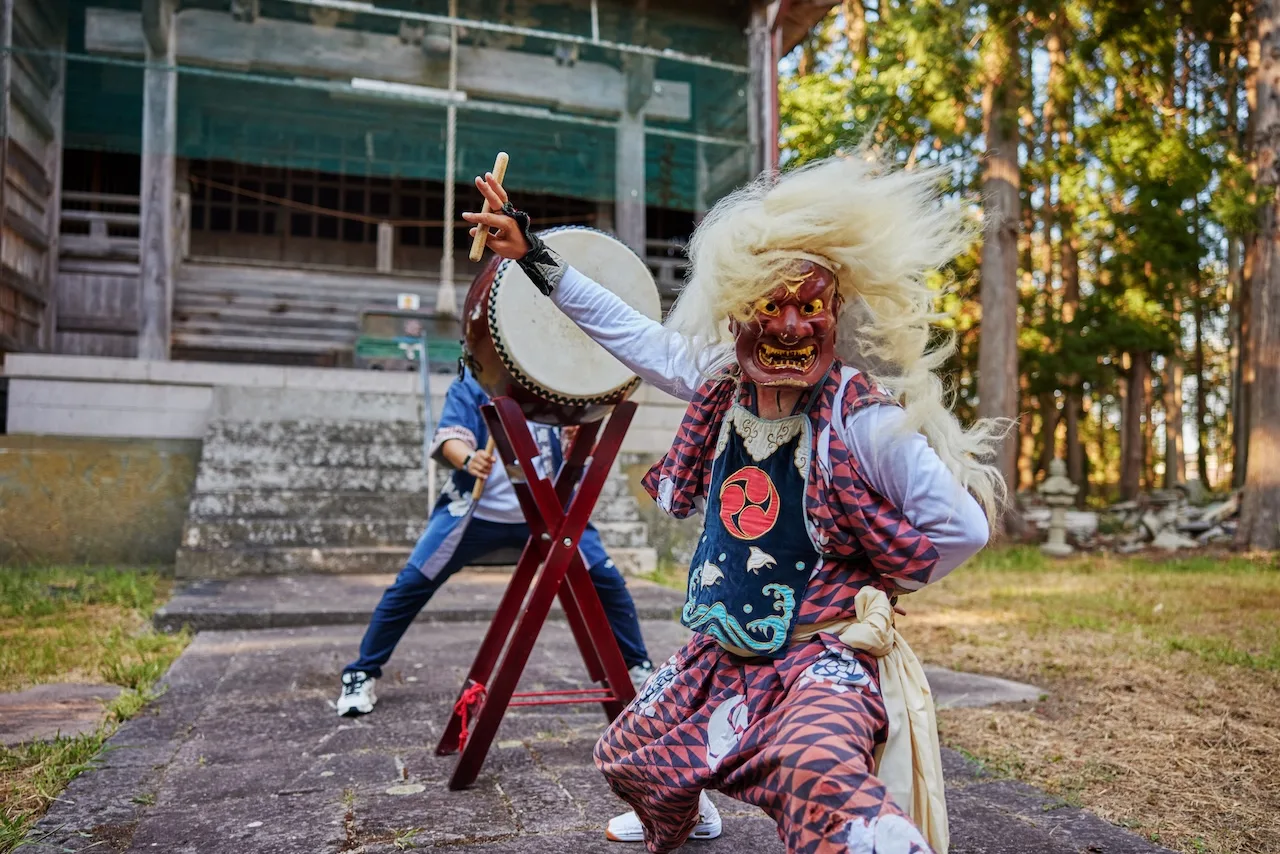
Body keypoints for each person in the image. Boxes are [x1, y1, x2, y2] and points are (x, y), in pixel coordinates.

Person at [462, 154, 1004, 854]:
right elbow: (630, 332)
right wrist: (536, 257)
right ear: (737, 313)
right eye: (766, 306)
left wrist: (879, 580)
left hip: (818, 655)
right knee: (627, 753)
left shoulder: (862, 419)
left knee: (818, 768)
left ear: (835, 313)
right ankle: (686, 818)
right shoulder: (719, 382)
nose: (788, 327)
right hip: (722, 640)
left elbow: (962, 527)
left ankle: (872, 835)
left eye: (809, 307)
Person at [337, 367, 654, 717]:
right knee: (410, 583)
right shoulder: (473, 381)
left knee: (607, 580)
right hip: (474, 515)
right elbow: (449, 438)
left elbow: (575, 441)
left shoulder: (552, 379)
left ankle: (638, 668)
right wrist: (469, 458)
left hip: (550, 511)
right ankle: (361, 671)